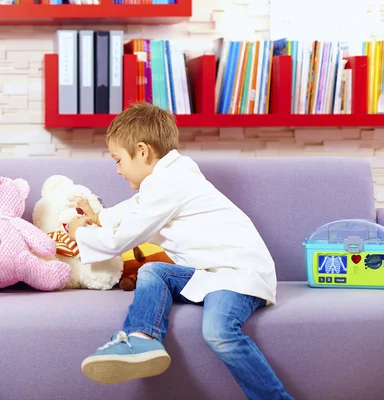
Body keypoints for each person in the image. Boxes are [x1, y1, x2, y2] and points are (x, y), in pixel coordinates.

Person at [67, 102, 293, 399]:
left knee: (219, 332)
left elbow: (118, 241)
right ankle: (141, 337)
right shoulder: (165, 180)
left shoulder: (170, 184)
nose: (118, 170)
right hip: (208, 272)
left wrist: (79, 233)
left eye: (118, 160)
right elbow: (134, 208)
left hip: (237, 272)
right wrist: (99, 218)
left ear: (143, 151)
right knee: (153, 271)